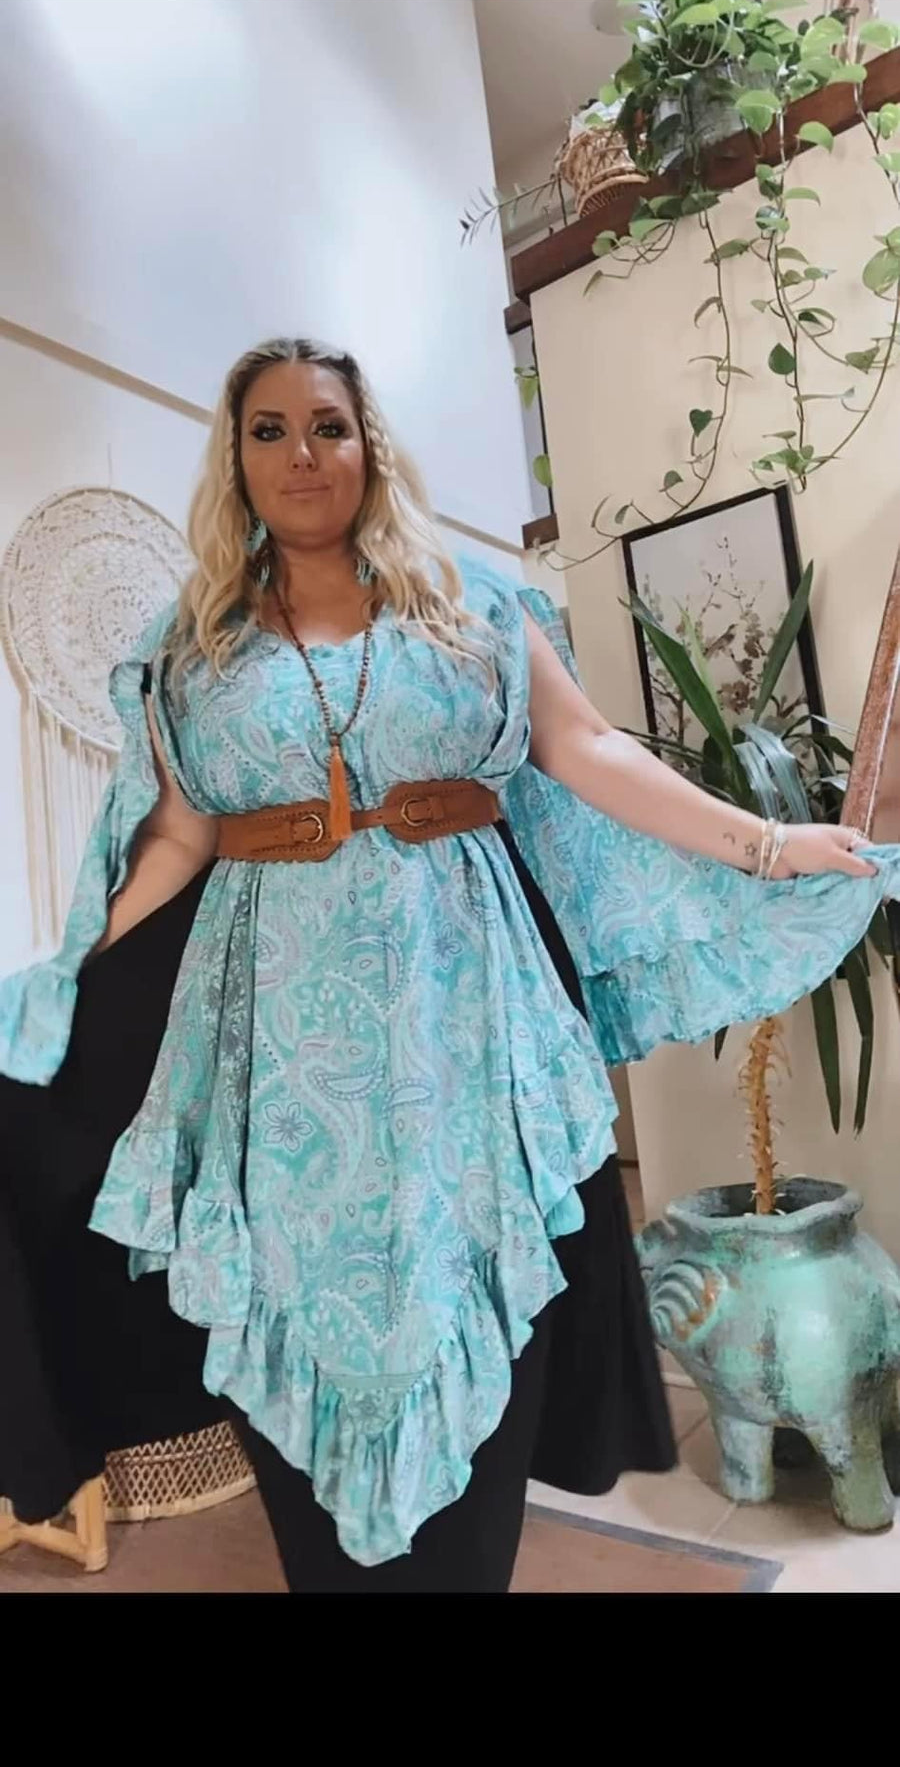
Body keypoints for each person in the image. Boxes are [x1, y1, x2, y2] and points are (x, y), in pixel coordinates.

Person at [1, 335, 898, 1595]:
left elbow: (588, 751)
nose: (302, 453)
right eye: (269, 430)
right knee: (289, 1332)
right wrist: (54, 985)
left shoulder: (472, 602)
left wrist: (767, 842)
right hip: (276, 1060)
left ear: (368, 444)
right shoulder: (193, 645)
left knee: (476, 1330)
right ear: (235, 459)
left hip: (465, 1022)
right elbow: (177, 837)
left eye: (328, 424)